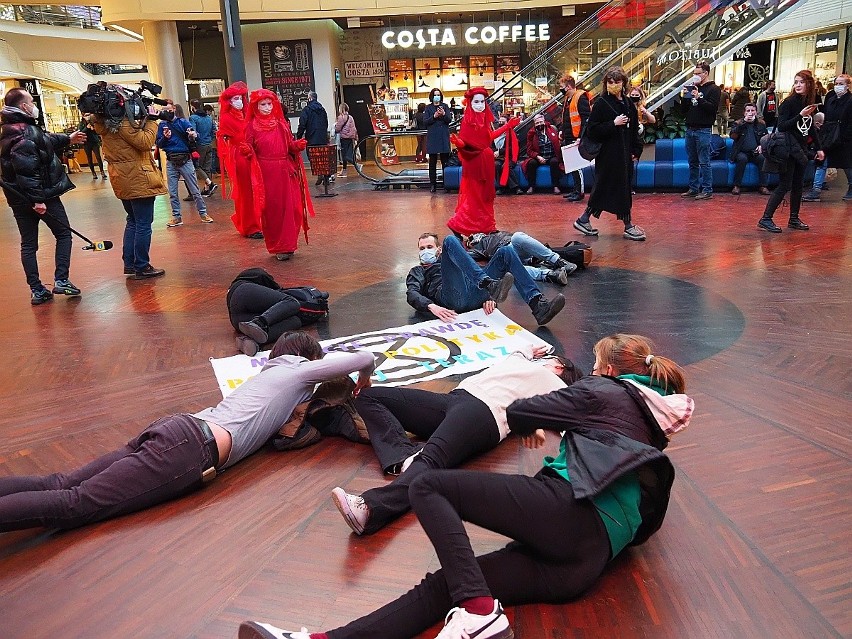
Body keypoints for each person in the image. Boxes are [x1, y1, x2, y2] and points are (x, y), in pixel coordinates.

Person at [240, 333, 693, 639]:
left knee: (431, 487)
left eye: (596, 365)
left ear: (610, 369)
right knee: (450, 584)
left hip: (568, 512)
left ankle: (479, 614)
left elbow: (521, 412)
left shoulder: (604, 391)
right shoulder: (651, 425)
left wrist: (539, 423)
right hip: (583, 564)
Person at [0, 332, 375, 533]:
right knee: (75, 504)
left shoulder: (268, 373)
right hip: (189, 449)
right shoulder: (298, 371)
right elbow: (364, 356)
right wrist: (363, 375)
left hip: (176, 428)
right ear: (308, 359)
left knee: (62, 481)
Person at [331, 346, 580, 538]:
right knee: (369, 397)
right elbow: (520, 351)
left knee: (432, 459)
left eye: (549, 360)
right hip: (454, 401)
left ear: (558, 366)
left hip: (484, 413)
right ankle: (402, 458)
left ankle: (371, 509)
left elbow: (570, 415)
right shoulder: (520, 362)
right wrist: (529, 351)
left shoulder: (555, 384)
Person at [1, 87, 86, 304]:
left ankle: (37, 289)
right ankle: (61, 279)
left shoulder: (13, 128)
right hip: (40, 196)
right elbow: (27, 170)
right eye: (31, 101)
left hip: (19, 199)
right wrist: (37, 200)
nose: (34, 104)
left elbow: (44, 140)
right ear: (23, 106)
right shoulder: (23, 132)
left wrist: (68, 138)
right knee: (63, 234)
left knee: (28, 244)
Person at [407, 232, 565, 326]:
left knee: (506, 252)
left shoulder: (453, 257)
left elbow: (473, 271)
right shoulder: (418, 271)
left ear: (438, 250)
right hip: (451, 298)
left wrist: (489, 298)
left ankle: (538, 305)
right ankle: (488, 285)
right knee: (450, 239)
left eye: (429, 247)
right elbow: (412, 293)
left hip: (474, 294)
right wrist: (432, 306)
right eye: (422, 249)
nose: (425, 251)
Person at [573, 67, 646, 241]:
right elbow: (592, 130)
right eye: (610, 82)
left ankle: (584, 219)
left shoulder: (628, 103)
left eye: (617, 82)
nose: (613, 85)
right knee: (609, 187)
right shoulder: (601, 103)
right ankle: (627, 225)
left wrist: (636, 149)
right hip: (608, 155)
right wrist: (613, 123)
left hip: (624, 155)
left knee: (617, 187)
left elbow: (634, 129)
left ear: (624, 83)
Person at [244, 89, 314, 261]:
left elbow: (289, 145)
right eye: (263, 104)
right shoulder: (251, 127)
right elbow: (248, 147)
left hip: (285, 170)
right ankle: (279, 245)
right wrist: (246, 151)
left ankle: (288, 243)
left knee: (292, 208)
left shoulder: (280, 124)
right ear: (256, 106)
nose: (267, 107)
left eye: (269, 104)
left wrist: (296, 145)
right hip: (266, 173)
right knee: (273, 210)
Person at [446, 87, 519, 236]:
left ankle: (486, 226)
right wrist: (459, 143)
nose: (480, 104)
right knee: (476, 196)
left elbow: (488, 137)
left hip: (485, 161)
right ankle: (460, 223)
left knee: (485, 195)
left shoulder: (483, 119)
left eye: (482, 101)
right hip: (475, 163)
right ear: (470, 102)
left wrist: (507, 126)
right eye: (476, 101)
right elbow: (466, 143)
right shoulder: (468, 121)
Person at [758, 70, 822, 233]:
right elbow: (782, 126)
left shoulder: (809, 102)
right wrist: (800, 115)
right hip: (787, 149)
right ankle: (766, 218)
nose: (798, 85)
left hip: (800, 149)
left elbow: (810, 127)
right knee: (785, 184)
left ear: (809, 84)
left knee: (798, 185)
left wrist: (819, 147)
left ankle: (794, 218)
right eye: (796, 82)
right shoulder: (789, 103)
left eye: (801, 82)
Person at [217, 83, 262, 240]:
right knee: (246, 192)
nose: (239, 101)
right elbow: (224, 140)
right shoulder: (227, 118)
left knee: (254, 190)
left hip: (250, 155)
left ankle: (254, 223)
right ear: (229, 101)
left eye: (240, 98)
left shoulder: (246, 114)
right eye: (235, 98)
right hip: (240, 157)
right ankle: (250, 226)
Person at [157, 103, 212, 227]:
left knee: (195, 190)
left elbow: (194, 134)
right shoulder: (162, 125)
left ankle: (203, 213)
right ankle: (177, 217)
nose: (167, 112)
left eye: (169, 110)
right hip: (171, 160)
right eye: (164, 110)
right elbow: (159, 144)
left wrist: (193, 135)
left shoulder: (182, 122)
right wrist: (165, 138)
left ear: (174, 110)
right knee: (173, 192)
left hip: (185, 160)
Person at [803, 73, 852, 202]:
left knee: (847, 164)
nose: (838, 86)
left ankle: (851, 186)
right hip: (829, 136)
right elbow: (826, 116)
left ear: (848, 86)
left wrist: (845, 136)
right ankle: (816, 189)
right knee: (822, 161)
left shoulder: (850, 101)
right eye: (836, 84)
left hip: (843, 137)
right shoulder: (831, 99)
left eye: (841, 84)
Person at [464, 230, 576, 286]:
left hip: (515, 247)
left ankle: (559, 261)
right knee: (506, 269)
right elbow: (465, 256)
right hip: (504, 254)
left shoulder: (495, 233)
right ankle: (550, 275)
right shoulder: (477, 247)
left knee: (518, 236)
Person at [679, 61, 721, 200]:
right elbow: (683, 111)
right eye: (694, 73)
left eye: (698, 73)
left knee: (704, 161)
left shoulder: (714, 89)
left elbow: (712, 108)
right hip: (690, 128)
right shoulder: (691, 88)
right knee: (692, 161)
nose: (695, 76)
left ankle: (707, 189)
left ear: (706, 73)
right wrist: (685, 98)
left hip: (703, 129)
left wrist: (699, 98)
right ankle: (693, 188)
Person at [560, 74, 592, 202]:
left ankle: (579, 192)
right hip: (569, 136)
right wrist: (562, 131)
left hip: (576, 136)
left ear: (568, 87)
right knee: (572, 166)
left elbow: (586, 119)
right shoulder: (568, 99)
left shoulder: (580, 97)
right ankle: (576, 190)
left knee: (576, 166)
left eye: (562, 87)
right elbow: (567, 118)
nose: (561, 90)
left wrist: (580, 137)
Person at [728, 103, 770, 195]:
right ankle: (737, 186)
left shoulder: (761, 124)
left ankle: (763, 186)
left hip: (755, 151)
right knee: (742, 159)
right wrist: (743, 124)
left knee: (762, 159)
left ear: (756, 112)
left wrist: (761, 145)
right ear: (744, 113)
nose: (750, 113)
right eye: (748, 111)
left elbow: (766, 138)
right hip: (741, 151)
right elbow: (733, 136)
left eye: (752, 110)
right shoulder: (737, 123)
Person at [522, 113, 563, 194]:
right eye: (537, 123)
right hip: (539, 157)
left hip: (551, 156)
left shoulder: (552, 129)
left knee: (554, 162)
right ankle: (531, 186)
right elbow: (529, 150)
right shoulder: (531, 134)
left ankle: (556, 186)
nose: (539, 124)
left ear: (544, 122)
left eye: (541, 122)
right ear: (534, 124)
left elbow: (557, 143)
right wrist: (538, 157)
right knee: (531, 163)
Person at [296, 91, 330, 185]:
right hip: (322, 138)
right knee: (323, 157)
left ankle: (319, 174)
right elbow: (326, 123)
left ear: (310, 98)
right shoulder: (322, 109)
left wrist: (299, 136)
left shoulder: (307, 110)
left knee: (313, 158)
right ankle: (325, 175)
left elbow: (302, 124)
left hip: (311, 138)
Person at [424, 88, 453, 192]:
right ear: (432, 96)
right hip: (433, 137)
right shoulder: (428, 108)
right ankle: (433, 184)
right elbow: (425, 122)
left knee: (445, 161)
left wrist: (444, 114)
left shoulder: (445, 106)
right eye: (435, 95)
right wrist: (434, 116)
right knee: (432, 162)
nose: (437, 96)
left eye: (438, 95)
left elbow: (449, 120)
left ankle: (447, 184)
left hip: (443, 136)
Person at [189, 98, 218, 197]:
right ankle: (207, 188)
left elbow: (193, 132)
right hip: (209, 144)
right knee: (207, 167)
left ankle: (210, 184)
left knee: (197, 166)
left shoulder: (193, 118)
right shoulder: (208, 118)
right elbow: (214, 130)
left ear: (192, 107)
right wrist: (210, 139)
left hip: (200, 145)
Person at [492, 115, 522, 195]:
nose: (501, 124)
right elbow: (491, 146)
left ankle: (516, 187)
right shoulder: (496, 133)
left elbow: (513, 148)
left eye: (503, 122)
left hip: (510, 157)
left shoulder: (512, 134)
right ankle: (501, 187)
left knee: (506, 166)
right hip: (499, 158)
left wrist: (500, 151)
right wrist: (494, 152)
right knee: (496, 165)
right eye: (500, 122)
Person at [77, 113, 107, 180]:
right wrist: (87, 128)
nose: (87, 117)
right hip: (86, 143)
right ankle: (93, 173)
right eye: (86, 115)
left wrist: (93, 129)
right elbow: (81, 132)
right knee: (89, 158)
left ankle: (102, 172)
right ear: (83, 116)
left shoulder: (93, 121)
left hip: (94, 142)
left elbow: (98, 132)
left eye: (88, 115)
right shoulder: (81, 124)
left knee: (98, 157)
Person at [334, 103, 358, 178]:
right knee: (348, 154)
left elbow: (338, 128)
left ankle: (356, 166)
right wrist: (355, 136)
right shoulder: (350, 117)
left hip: (344, 137)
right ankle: (344, 170)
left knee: (345, 155)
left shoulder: (341, 117)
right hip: (350, 138)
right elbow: (354, 128)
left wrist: (334, 128)